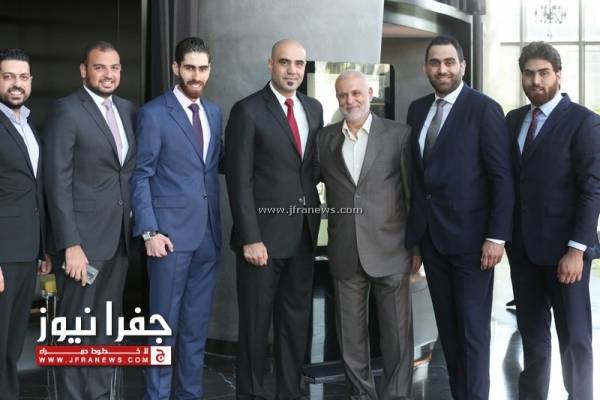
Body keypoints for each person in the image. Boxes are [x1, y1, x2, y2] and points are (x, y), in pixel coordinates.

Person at [405, 35, 514, 400]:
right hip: (433, 241)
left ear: (463, 66)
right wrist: (415, 241)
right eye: (435, 62)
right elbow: (417, 180)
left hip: (473, 243)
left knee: (472, 333)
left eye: (450, 62)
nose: (443, 69)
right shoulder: (417, 110)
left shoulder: (484, 109)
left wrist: (496, 237)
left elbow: (501, 178)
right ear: (426, 68)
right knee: (449, 333)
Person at [225, 38, 323, 399]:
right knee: (255, 324)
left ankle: (289, 392)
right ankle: (250, 394)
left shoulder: (313, 108)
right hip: (261, 241)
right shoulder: (247, 110)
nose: (292, 70)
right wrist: (250, 237)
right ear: (270, 64)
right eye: (285, 62)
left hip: (303, 236)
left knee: (295, 324)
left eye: (299, 63)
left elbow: (310, 170)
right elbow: (239, 180)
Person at [506, 41, 600, 400]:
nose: (536, 80)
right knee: (532, 339)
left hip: (566, 253)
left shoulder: (583, 122)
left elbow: (592, 189)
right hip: (523, 250)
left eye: (544, 73)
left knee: (575, 339)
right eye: (529, 73)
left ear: (558, 74)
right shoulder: (513, 120)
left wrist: (576, 250)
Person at [130, 36, 223, 400]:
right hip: (168, 239)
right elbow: (141, 175)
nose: (196, 76)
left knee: (195, 331)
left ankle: (189, 395)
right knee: (162, 329)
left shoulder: (214, 113)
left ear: (210, 70)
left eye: (202, 68)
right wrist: (149, 231)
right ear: (175, 68)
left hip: (207, 237)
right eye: (189, 68)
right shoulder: (154, 113)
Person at [44, 41, 136, 399]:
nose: (108, 74)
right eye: (99, 67)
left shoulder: (128, 110)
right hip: (82, 245)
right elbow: (57, 181)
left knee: (106, 327)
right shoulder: (66, 110)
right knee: (75, 329)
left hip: (119, 241)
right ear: (84, 70)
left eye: (114, 67)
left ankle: (99, 395)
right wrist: (70, 244)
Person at [318, 70, 413, 400]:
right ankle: (361, 395)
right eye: (343, 95)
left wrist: (415, 248)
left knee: (397, 336)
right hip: (345, 250)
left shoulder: (398, 135)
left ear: (370, 93)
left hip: (391, 249)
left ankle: (396, 396)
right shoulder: (324, 139)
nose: (350, 100)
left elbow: (411, 195)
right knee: (350, 337)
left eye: (356, 93)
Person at [0, 48, 51, 400]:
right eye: (8, 77)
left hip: (26, 251)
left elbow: (35, 189)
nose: (16, 84)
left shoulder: (29, 124)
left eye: (22, 77)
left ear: (30, 81)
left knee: (12, 343)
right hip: (3, 254)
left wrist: (42, 248)